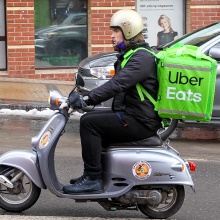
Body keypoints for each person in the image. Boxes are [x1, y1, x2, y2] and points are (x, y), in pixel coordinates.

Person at [63, 9, 162, 194]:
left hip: (140, 121)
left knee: (89, 124)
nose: (112, 36)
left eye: (116, 31)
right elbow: (114, 85)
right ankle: (96, 174)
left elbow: (117, 84)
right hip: (133, 115)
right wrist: (85, 99)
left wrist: (87, 99)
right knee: (92, 118)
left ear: (129, 31)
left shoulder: (142, 58)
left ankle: (92, 178)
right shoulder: (133, 55)